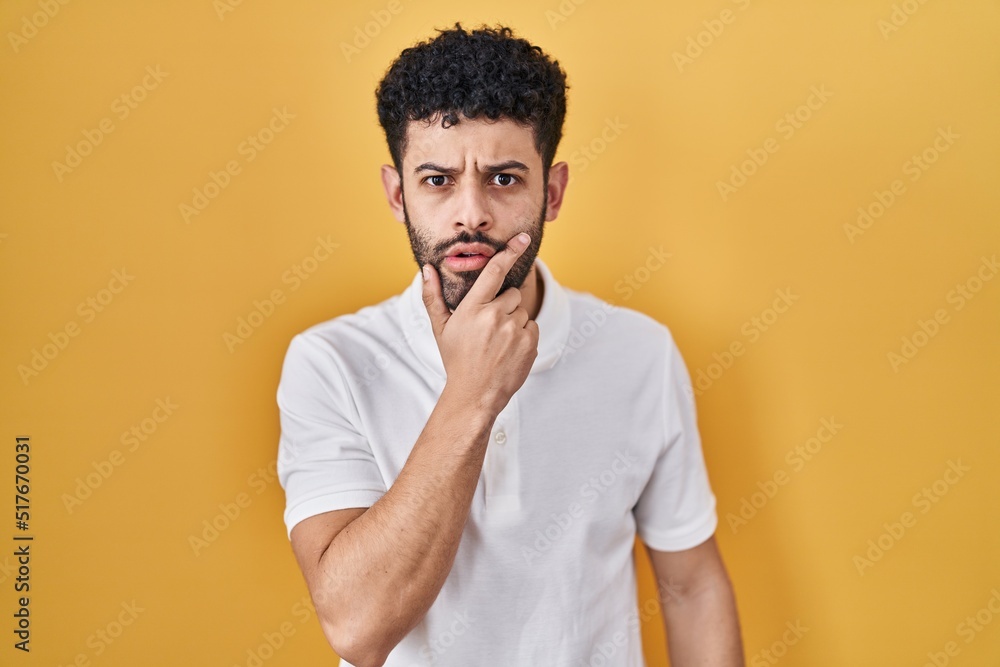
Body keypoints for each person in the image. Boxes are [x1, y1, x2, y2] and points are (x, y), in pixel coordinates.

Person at [276, 22, 744, 667]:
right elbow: (358, 626)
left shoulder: (639, 352)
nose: (471, 213)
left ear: (551, 193)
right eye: (437, 180)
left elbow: (691, 587)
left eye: (503, 179)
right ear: (397, 194)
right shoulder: (331, 364)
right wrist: (472, 394)